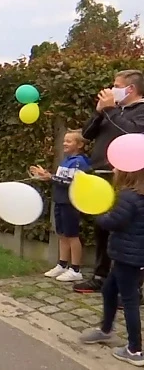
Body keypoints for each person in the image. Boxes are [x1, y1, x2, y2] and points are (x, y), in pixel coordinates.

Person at [74, 69, 144, 294]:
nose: (111, 90)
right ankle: (100, 275)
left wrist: (112, 110)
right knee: (102, 228)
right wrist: (99, 114)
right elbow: (86, 134)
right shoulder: (112, 111)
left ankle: (131, 285)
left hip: (128, 181)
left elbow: (131, 132)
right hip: (102, 177)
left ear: (130, 89)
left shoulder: (140, 111)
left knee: (129, 232)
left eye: (116, 85)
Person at [78, 168, 144, 366]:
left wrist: (99, 213)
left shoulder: (127, 196)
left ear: (128, 173)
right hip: (132, 255)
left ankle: (135, 350)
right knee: (108, 290)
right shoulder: (138, 195)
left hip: (127, 256)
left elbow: (113, 222)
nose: (113, 169)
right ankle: (105, 330)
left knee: (129, 300)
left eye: (117, 167)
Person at [30, 129, 90, 282]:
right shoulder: (66, 160)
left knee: (72, 236)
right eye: (64, 140)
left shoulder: (80, 162)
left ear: (80, 145)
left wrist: (51, 177)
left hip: (70, 203)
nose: (64, 143)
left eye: (69, 141)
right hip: (60, 201)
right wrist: (46, 177)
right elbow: (59, 179)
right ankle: (62, 264)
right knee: (62, 235)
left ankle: (76, 269)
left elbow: (72, 183)